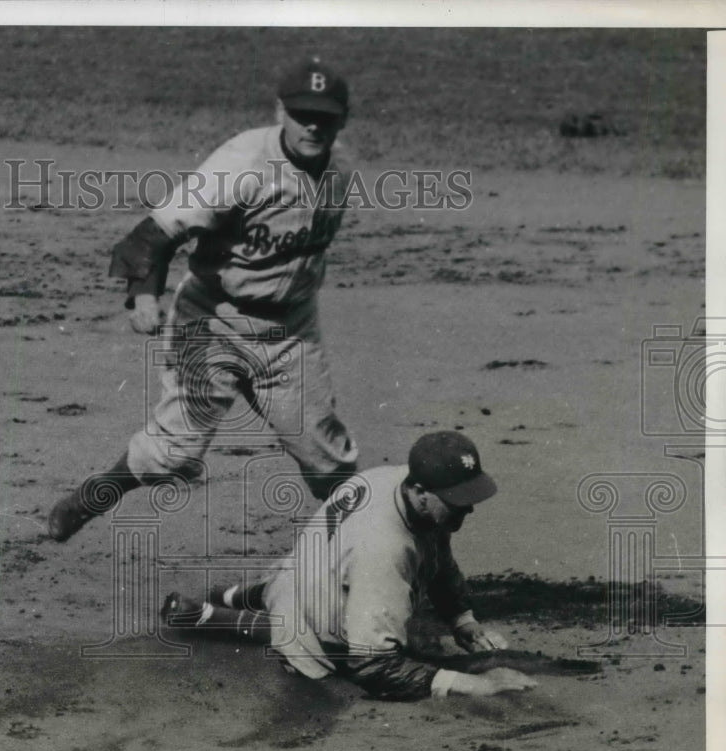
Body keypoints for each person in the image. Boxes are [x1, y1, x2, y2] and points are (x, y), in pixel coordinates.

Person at [48, 57, 359, 541]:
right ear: (281, 111)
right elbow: (151, 234)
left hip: (291, 331)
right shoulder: (241, 166)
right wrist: (143, 296)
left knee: (328, 460)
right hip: (214, 321)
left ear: (343, 119)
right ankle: (91, 497)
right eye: (302, 114)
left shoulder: (341, 167)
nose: (313, 125)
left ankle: (368, 555)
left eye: (325, 116)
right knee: (170, 455)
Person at [161, 431, 538, 701]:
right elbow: (374, 668)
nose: (469, 507)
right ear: (421, 493)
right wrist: (473, 684)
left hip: (301, 569)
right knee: (316, 648)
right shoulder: (385, 549)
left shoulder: (389, 480)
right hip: (310, 617)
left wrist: (462, 620)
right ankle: (215, 617)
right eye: (457, 499)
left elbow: (438, 554)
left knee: (303, 583)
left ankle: (235, 596)